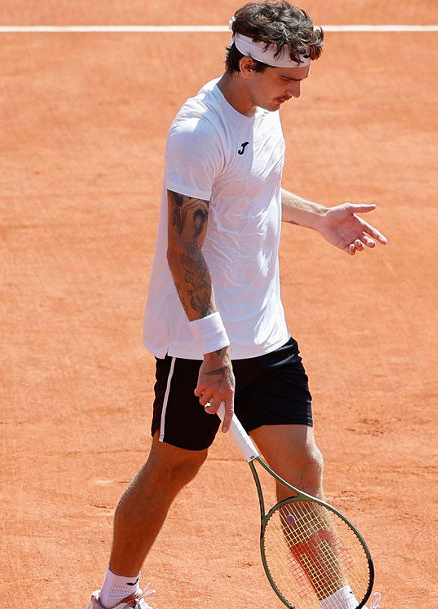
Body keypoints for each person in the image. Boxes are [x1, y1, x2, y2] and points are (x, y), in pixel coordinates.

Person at [84, 3, 387, 609]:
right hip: (198, 344)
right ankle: (116, 595)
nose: (296, 93)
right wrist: (216, 355)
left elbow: (256, 190)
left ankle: (337, 602)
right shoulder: (199, 131)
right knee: (172, 468)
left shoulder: (263, 110)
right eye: (287, 81)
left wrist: (319, 219)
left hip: (267, 337)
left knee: (301, 469)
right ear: (247, 64)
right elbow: (183, 249)